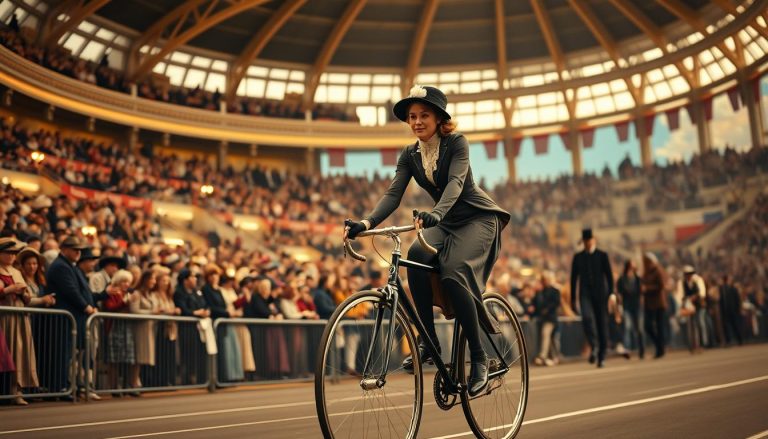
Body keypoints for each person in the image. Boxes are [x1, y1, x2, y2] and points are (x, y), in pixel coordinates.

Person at [345, 85, 510, 396]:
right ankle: (427, 342)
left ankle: (478, 356)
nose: (417, 121)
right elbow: (393, 194)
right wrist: (365, 223)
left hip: (477, 218)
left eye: (424, 115)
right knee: (416, 255)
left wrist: (437, 212)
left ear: (439, 118)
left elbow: (456, 184)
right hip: (444, 220)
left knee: (453, 270)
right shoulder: (409, 154)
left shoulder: (457, 143)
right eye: (412, 117)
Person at [0, 237, 37, 405]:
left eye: (14, 253)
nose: (11, 256)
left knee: (19, 353)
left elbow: (28, 298)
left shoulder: (17, 272)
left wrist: (24, 293)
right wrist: (9, 289)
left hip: (19, 316)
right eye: (8, 253)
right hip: (4, 318)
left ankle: (16, 390)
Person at [569, 229, 614, 368]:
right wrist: (573, 298)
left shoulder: (602, 255)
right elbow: (573, 279)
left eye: (589, 240)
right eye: (585, 241)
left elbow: (609, 276)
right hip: (585, 294)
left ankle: (601, 355)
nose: (588, 243)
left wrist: (612, 294)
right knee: (587, 318)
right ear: (583, 242)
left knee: (602, 324)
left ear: (593, 240)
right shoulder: (578, 257)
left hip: (601, 295)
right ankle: (594, 346)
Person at [641, 252, 668, 359]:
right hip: (649, 303)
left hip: (658, 303)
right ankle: (659, 345)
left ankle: (660, 349)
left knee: (660, 327)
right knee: (648, 326)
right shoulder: (646, 273)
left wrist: (647, 288)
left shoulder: (658, 271)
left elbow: (661, 285)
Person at [532, 272, 560, 366]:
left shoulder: (555, 290)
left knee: (546, 334)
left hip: (551, 318)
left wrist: (547, 310)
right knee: (550, 339)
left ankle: (542, 356)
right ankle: (555, 357)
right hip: (542, 319)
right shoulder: (540, 292)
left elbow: (556, 303)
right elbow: (535, 305)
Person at [677, 265, 706, 353]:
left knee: (699, 324)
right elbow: (681, 295)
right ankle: (692, 345)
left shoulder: (697, 280)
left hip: (698, 305)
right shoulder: (682, 282)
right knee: (691, 326)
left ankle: (701, 344)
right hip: (689, 306)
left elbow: (702, 293)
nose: (688, 276)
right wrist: (686, 300)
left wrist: (694, 297)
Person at [617, 260, 644, 358]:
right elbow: (619, 294)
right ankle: (627, 349)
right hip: (627, 306)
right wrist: (619, 306)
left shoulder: (638, 279)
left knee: (640, 329)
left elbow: (641, 292)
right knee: (627, 327)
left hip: (637, 306)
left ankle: (641, 350)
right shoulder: (622, 279)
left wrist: (641, 301)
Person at [719, 275, 743, 346]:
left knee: (735, 326)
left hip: (733, 311)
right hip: (725, 311)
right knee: (726, 327)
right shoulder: (721, 289)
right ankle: (728, 341)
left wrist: (738, 309)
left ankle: (739, 340)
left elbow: (737, 300)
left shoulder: (733, 289)